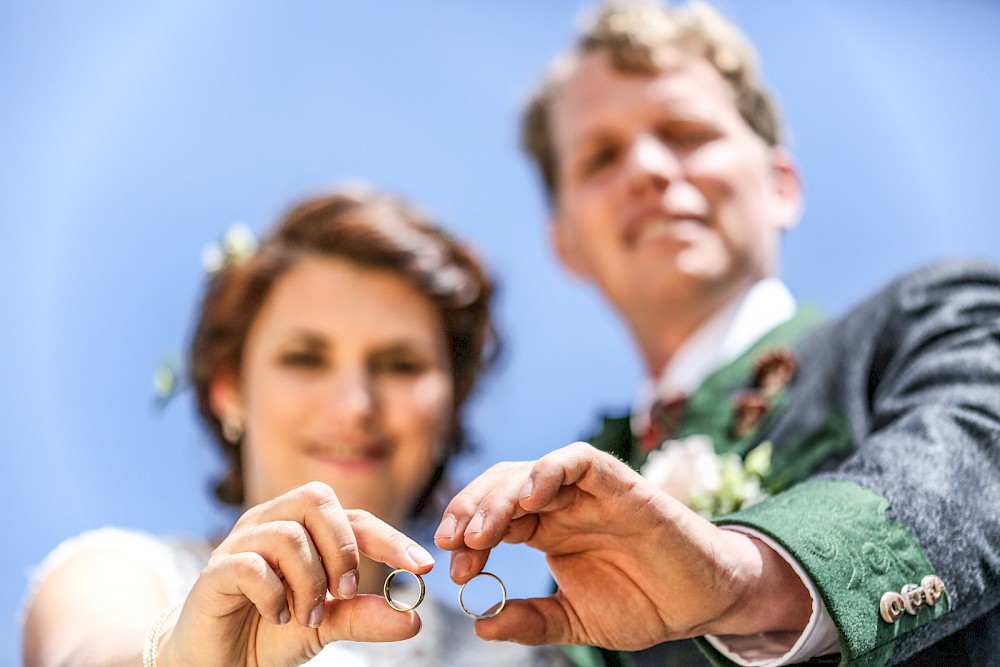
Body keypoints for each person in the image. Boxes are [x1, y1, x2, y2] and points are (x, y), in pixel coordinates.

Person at [434, 2, 1000, 665]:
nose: (646, 167)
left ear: (781, 185)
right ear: (567, 247)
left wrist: (747, 572)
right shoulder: (572, 528)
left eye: (686, 132)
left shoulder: (924, 320)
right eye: (601, 156)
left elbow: (978, 441)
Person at [21, 186, 570, 667]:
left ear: (451, 406)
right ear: (228, 391)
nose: (355, 404)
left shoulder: (522, 651)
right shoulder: (119, 578)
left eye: (401, 365)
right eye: (305, 358)